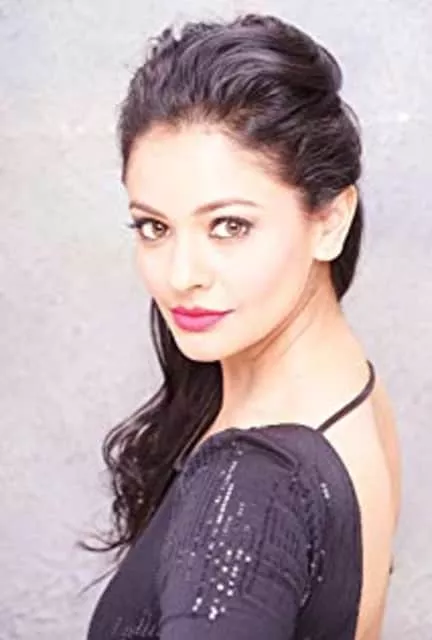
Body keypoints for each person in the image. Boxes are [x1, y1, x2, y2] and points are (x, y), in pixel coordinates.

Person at [86, 13, 401, 639]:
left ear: (330, 221)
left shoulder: (248, 491)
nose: (181, 275)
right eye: (153, 226)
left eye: (229, 226)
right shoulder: (348, 389)